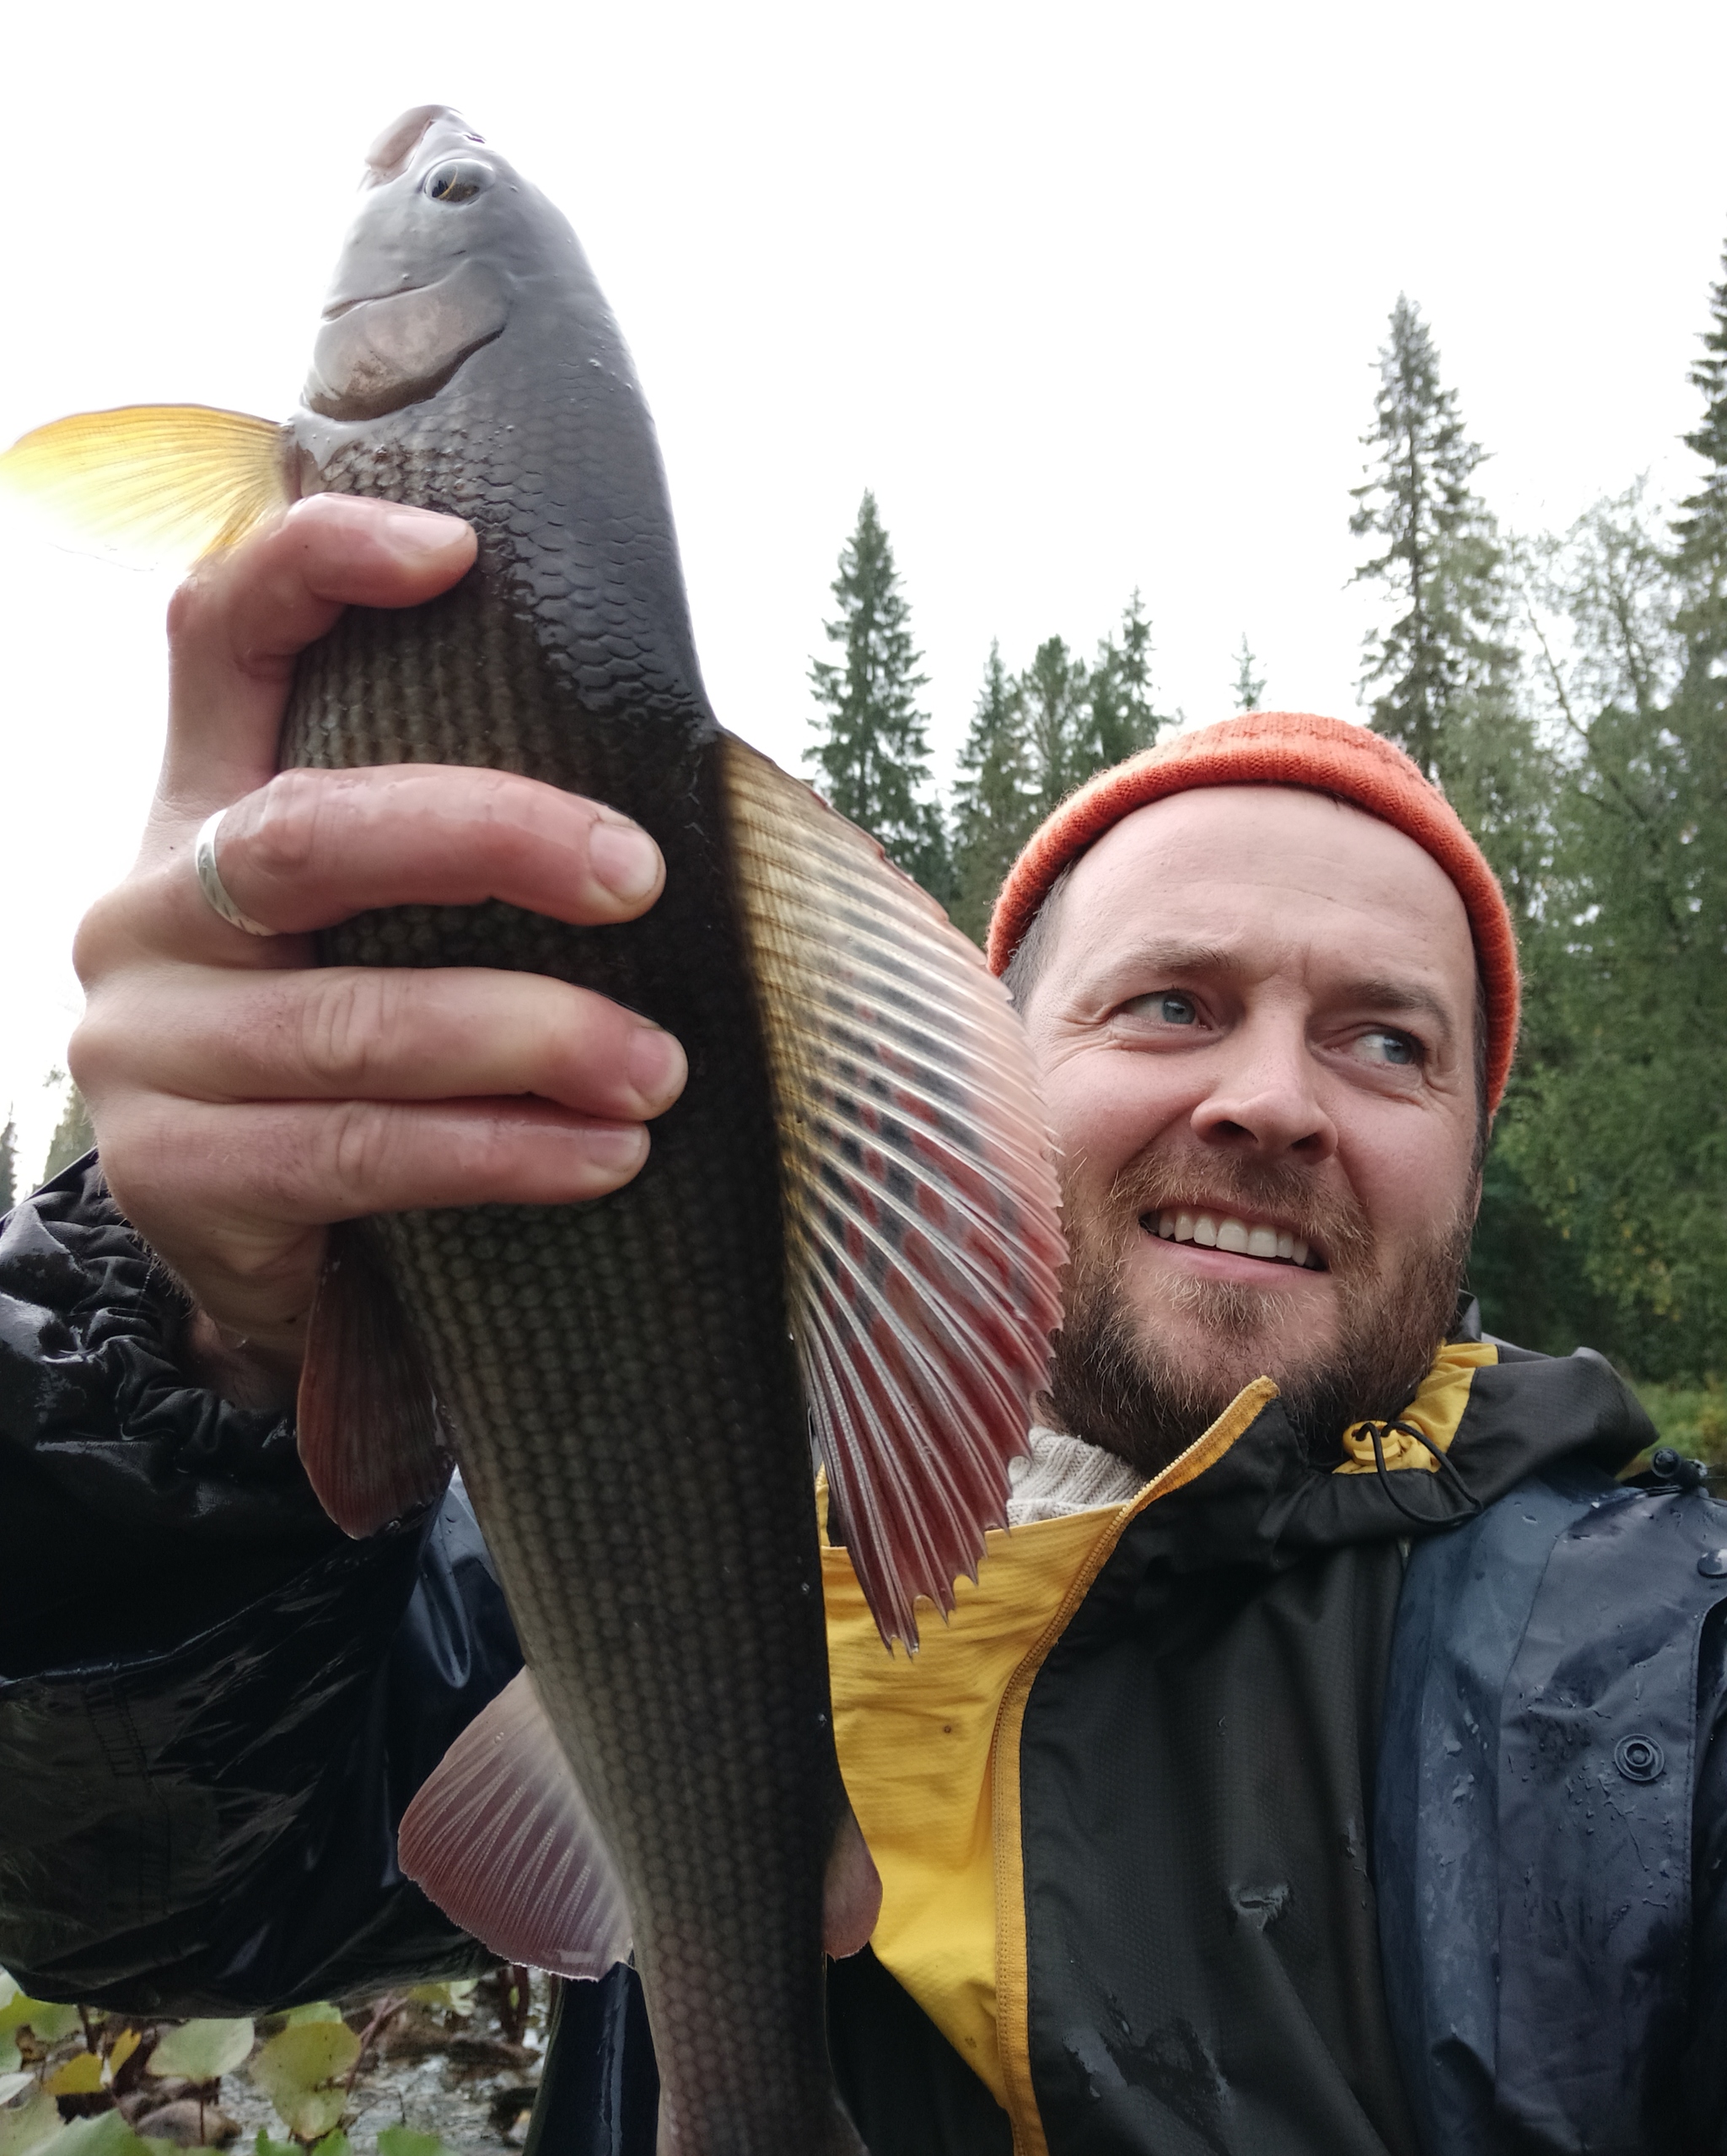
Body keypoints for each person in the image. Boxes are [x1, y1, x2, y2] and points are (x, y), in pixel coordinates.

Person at [1, 498, 1724, 2156]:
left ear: (1470, 1166)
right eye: (1171, 1004)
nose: (1270, 1101)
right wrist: (195, 1335)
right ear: (982, 1092)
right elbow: (139, 1902)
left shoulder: (1666, 1662)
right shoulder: (630, 1529)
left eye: (1386, 1044)